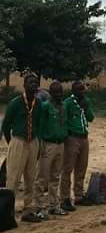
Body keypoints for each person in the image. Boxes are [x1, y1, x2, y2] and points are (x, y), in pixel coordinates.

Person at [1, 74, 45, 222]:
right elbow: (6, 125)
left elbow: (38, 125)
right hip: (18, 141)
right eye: (30, 82)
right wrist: (12, 143)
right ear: (24, 85)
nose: (33, 85)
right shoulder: (16, 103)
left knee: (31, 178)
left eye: (35, 83)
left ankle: (28, 210)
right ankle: (7, 213)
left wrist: (37, 145)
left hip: (33, 142)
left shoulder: (38, 104)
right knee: (13, 178)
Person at [34, 80, 69, 218]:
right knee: (42, 176)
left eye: (61, 92)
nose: (59, 95)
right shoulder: (45, 106)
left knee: (55, 176)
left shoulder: (64, 106)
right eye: (56, 93)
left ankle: (54, 205)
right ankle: (39, 207)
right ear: (51, 93)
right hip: (48, 144)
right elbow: (41, 126)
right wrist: (40, 145)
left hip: (61, 143)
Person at [60, 81, 94, 211]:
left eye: (83, 90)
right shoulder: (68, 103)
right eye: (79, 90)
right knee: (68, 168)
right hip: (72, 137)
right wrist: (66, 136)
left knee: (81, 167)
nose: (82, 92)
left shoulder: (86, 102)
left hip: (84, 137)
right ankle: (65, 198)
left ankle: (79, 195)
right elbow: (64, 120)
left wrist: (86, 108)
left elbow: (91, 118)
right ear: (73, 91)